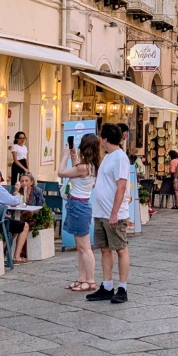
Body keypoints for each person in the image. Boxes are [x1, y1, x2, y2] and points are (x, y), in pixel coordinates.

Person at [85, 123, 132, 304]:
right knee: (105, 249)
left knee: (120, 248)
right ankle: (106, 285)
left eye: (100, 137)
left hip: (115, 214)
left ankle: (122, 287)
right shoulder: (107, 157)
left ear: (104, 138)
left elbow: (121, 186)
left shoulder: (120, 158)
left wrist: (114, 213)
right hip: (101, 212)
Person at [58, 133, 99, 292]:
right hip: (79, 204)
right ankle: (82, 278)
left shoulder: (84, 167)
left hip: (79, 206)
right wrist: (73, 155)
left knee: (85, 247)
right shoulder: (90, 165)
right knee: (80, 247)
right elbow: (77, 169)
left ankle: (90, 280)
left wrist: (64, 156)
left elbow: (61, 173)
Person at [0, 168, 30, 264]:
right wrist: (17, 191)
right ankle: (17, 256)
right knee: (24, 226)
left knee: (12, 227)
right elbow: (14, 201)